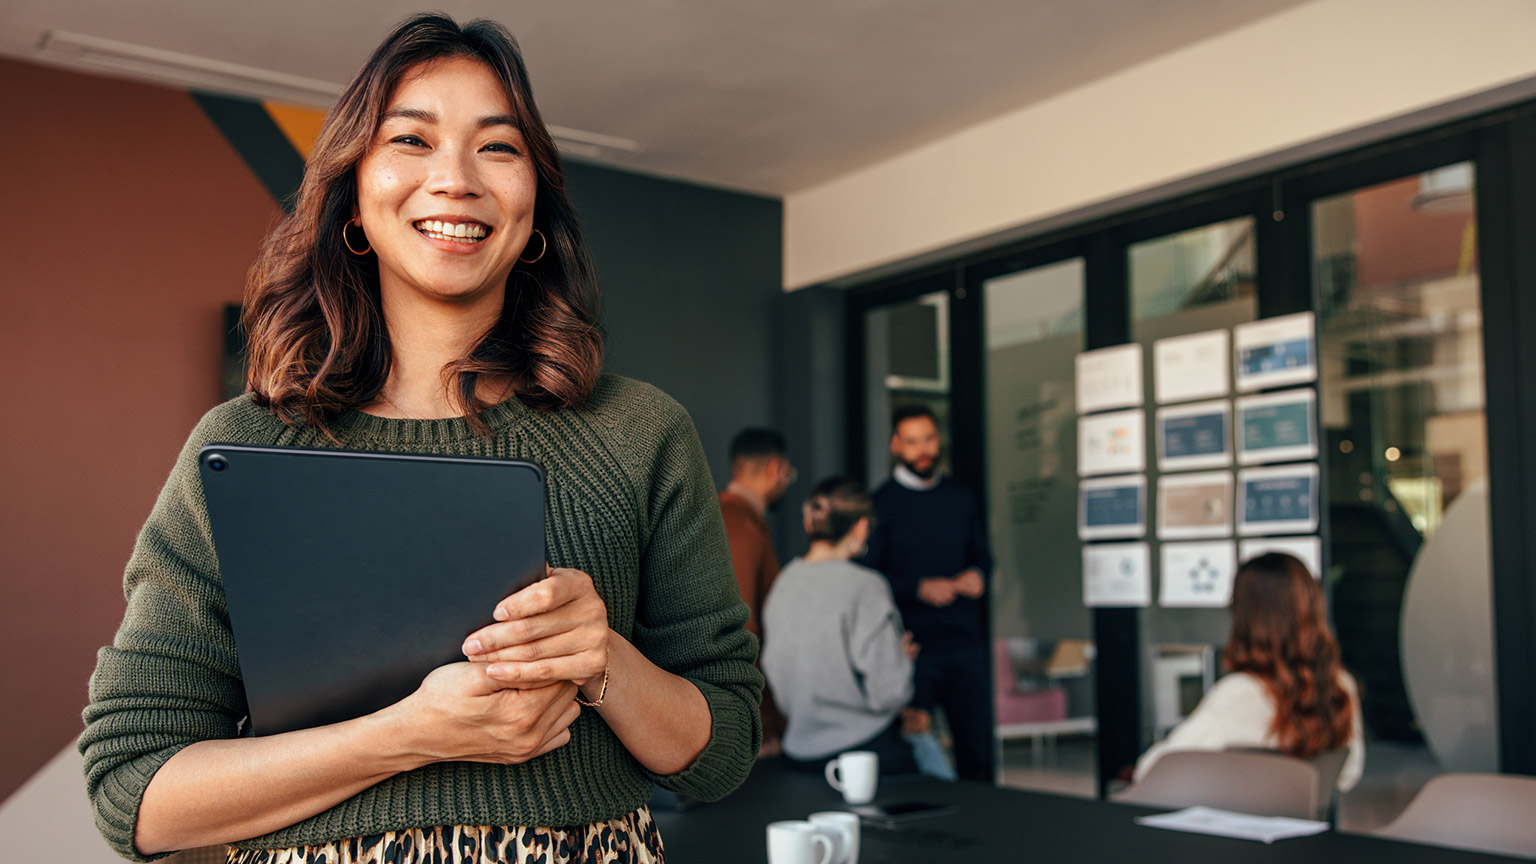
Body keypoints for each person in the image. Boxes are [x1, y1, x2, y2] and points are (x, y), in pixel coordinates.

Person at [78, 14, 761, 864]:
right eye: (412, 138)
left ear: (535, 206)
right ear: (355, 197)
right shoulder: (247, 445)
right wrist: (408, 734)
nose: (456, 179)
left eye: (498, 148)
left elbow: (725, 749)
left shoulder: (637, 431)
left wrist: (603, 659)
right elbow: (133, 793)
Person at [1132, 552, 1365, 791]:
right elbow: (1348, 774)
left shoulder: (1239, 693)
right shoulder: (1340, 684)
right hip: (1304, 821)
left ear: (1244, 617)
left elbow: (1152, 770)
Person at [861, 404, 995, 782]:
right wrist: (918, 587)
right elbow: (870, 579)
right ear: (895, 445)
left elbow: (983, 555)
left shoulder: (960, 498)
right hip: (912, 647)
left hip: (965, 642)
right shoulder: (880, 504)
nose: (923, 450)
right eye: (913, 441)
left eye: (930, 439)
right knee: (917, 752)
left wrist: (979, 574)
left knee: (976, 752)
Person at [761, 477, 919, 776]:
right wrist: (899, 661)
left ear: (810, 524)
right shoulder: (866, 586)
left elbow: (779, 674)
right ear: (861, 527)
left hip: (799, 755)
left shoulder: (784, 583)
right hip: (865, 755)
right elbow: (890, 692)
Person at [718, 427, 794, 755]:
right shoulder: (743, 528)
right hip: (738, 717)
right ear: (775, 469)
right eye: (788, 473)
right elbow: (743, 631)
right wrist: (762, 722)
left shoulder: (718, 516)